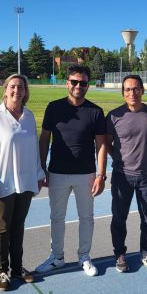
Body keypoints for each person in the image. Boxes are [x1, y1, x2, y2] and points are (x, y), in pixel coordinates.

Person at [35, 64, 107, 277]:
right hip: (57, 172)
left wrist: (101, 175)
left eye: (83, 83)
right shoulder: (54, 107)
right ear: (66, 83)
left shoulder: (95, 111)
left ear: (88, 85)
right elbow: (44, 139)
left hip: (86, 174)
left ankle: (84, 256)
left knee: (86, 217)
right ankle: (57, 257)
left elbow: (101, 146)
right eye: (74, 82)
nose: (78, 86)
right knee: (57, 217)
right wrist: (42, 168)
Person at [0, 74, 46, 291]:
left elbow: (34, 148)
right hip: (2, 180)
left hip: (26, 180)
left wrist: (39, 174)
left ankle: (17, 269)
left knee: (18, 226)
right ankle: (2, 272)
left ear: (26, 91)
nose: (16, 90)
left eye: (21, 87)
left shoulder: (28, 116)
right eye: (13, 86)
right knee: (2, 227)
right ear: (6, 89)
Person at [106, 75, 147, 273]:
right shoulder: (114, 116)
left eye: (136, 88)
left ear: (142, 90)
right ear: (123, 92)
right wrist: (119, 159)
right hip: (121, 176)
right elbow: (106, 143)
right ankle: (119, 254)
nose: (132, 93)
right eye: (128, 89)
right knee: (118, 218)